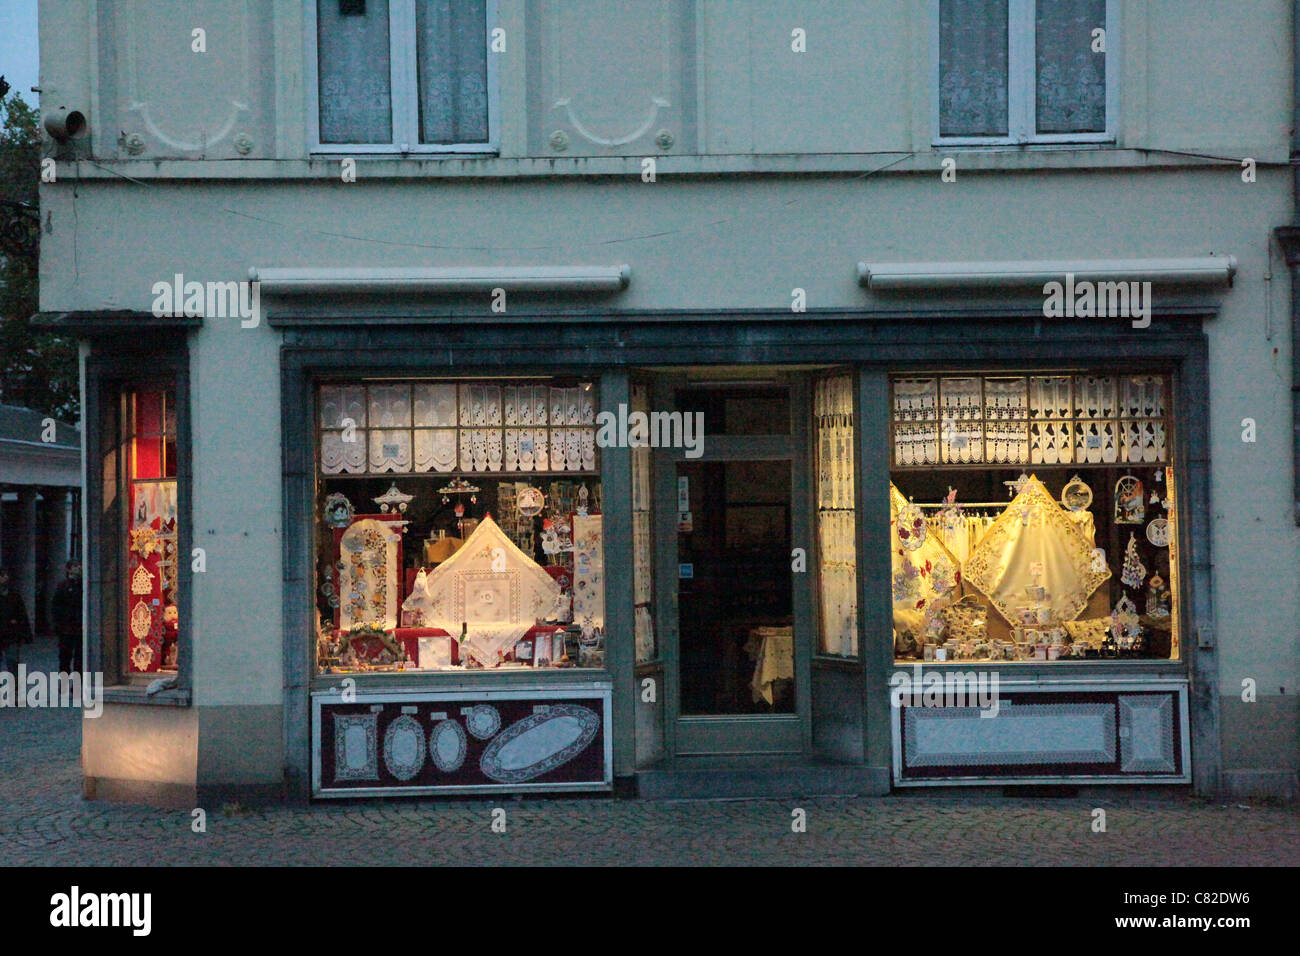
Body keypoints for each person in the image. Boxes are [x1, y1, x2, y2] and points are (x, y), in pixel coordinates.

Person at [52, 560, 83, 674]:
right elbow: (56, 606)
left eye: (79, 566)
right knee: (65, 658)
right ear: (69, 569)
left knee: (79, 659)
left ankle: (76, 685)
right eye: (75, 566)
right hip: (66, 628)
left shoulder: (82, 585)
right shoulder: (63, 586)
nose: (79, 568)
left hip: (79, 627)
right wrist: (58, 624)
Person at [0, 569, 33, 675]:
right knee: (12, 660)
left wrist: (25, 634)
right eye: (2, 575)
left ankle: (14, 685)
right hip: (9, 631)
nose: (5, 578)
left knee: (12, 661)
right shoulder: (13, 595)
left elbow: (22, 614)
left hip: (10, 633)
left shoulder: (14, 595)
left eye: (5, 575)